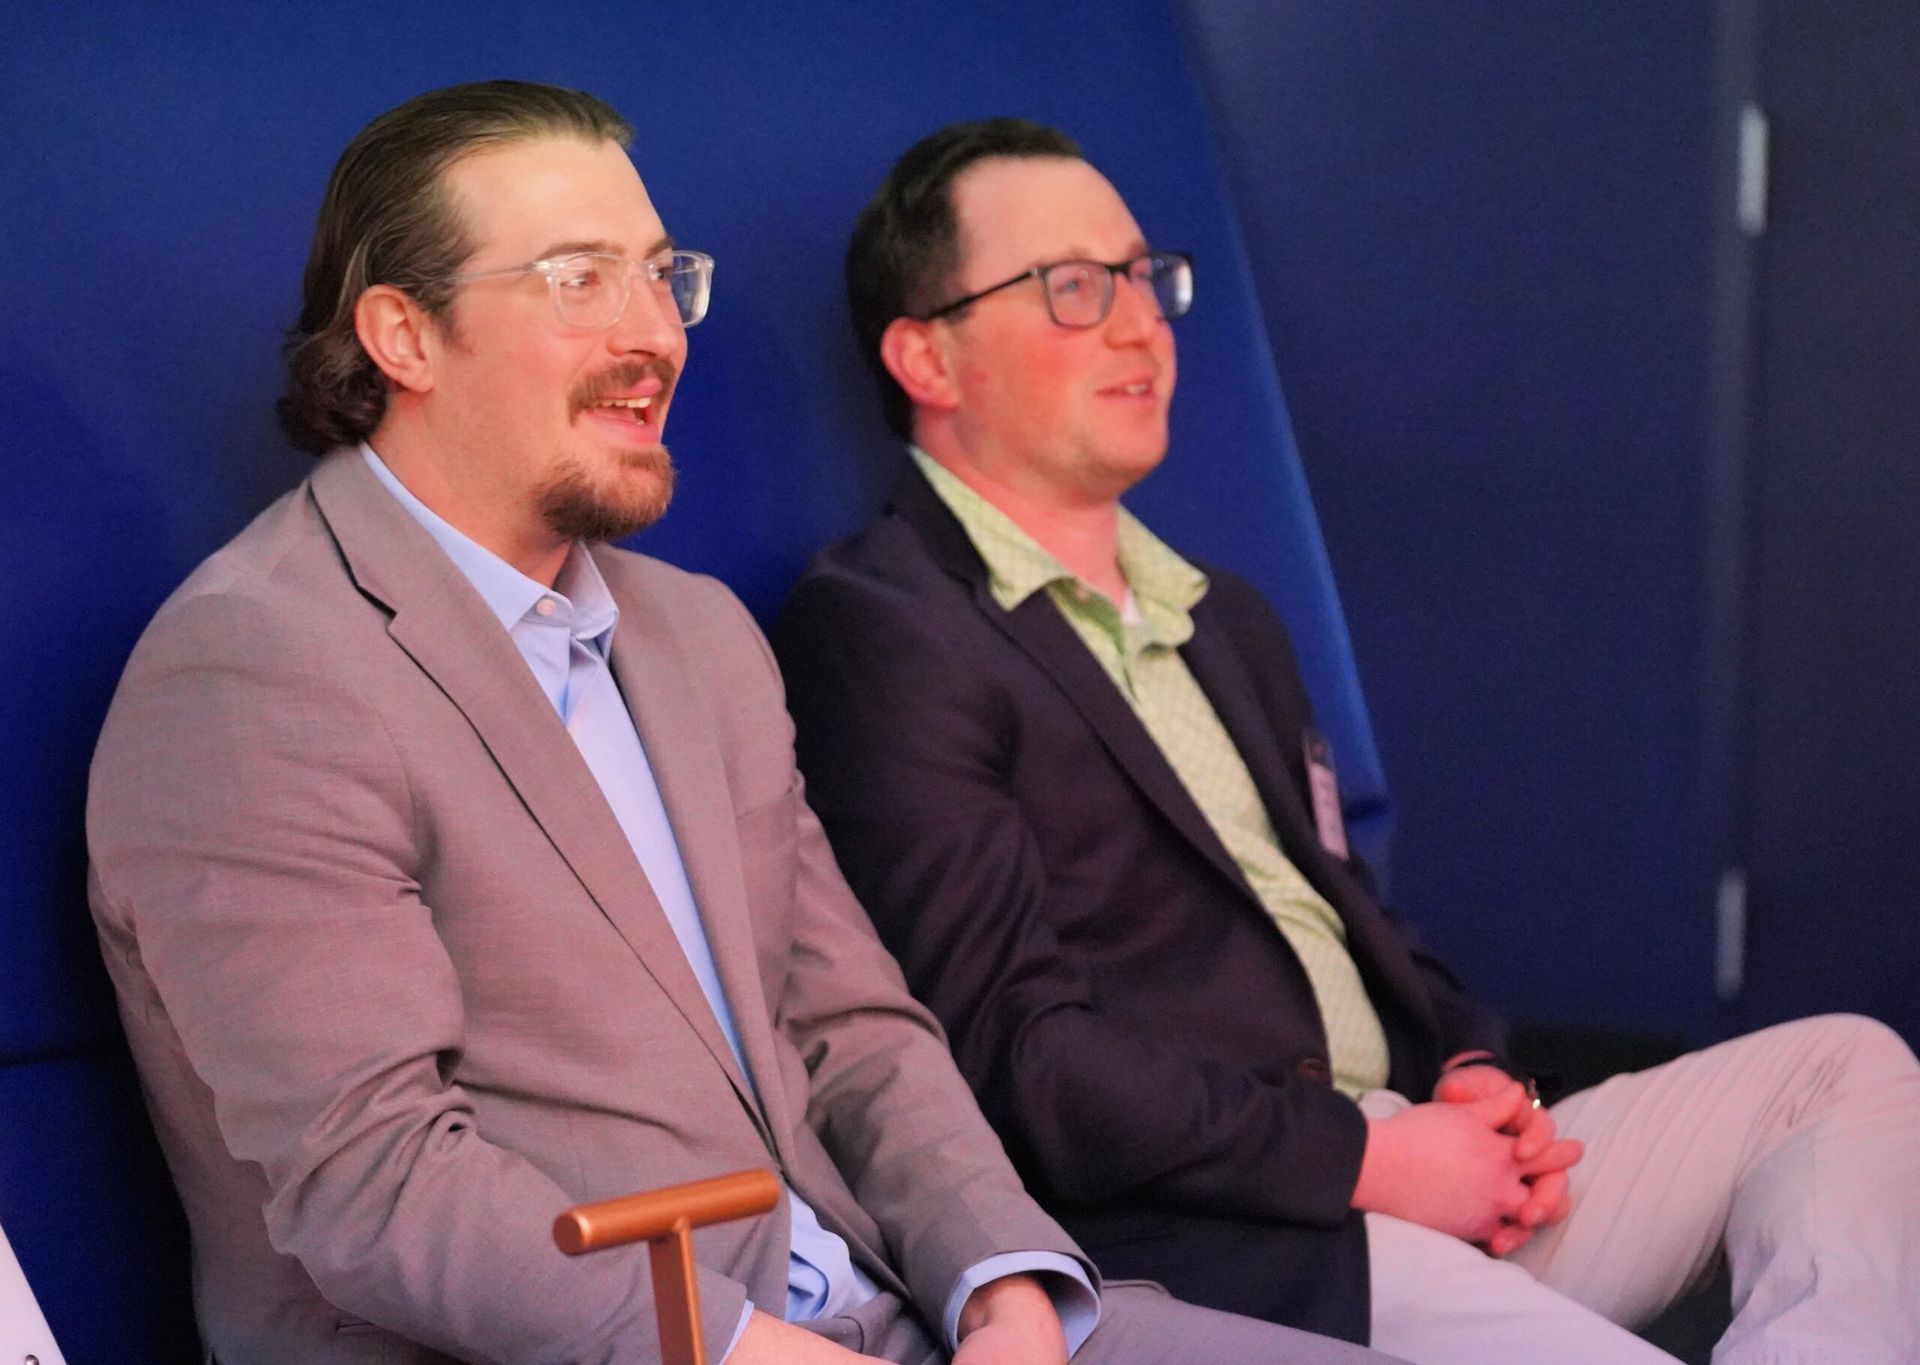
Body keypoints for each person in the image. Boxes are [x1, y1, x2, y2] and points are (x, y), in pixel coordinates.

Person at [84, 84, 1393, 1365]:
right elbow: (371, 1184)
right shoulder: (254, 672)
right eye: (576, 279)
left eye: (662, 275)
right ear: (401, 336)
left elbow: (854, 1026)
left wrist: (1002, 1282)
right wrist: (751, 1347)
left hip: (894, 1311)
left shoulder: (698, 636)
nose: (654, 332)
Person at [771, 117, 1920, 1363]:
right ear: (926, 358)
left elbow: (1350, 926)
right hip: (1238, 1243)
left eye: (1146, 278)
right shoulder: (887, 631)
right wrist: (1364, 1160)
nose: (1139, 323)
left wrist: (1477, 1071)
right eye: (1071, 288)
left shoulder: (1224, 617)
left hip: (1420, 1159)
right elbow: (1017, 1063)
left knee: (1847, 1070)